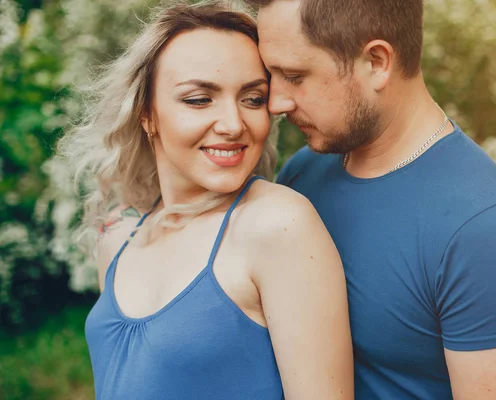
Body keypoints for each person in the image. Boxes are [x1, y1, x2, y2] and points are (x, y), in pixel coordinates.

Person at [247, 0, 496, 398]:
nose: (277, 102)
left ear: (378, 62)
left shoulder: (489, 232)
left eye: (294, 76)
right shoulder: (304, 173)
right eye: (271, 74)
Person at [57, 3, 354, 399]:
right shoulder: (118, 234)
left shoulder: (277, 225)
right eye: (199, 100)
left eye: (252, 98)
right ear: (147, 114)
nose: (233, 125)